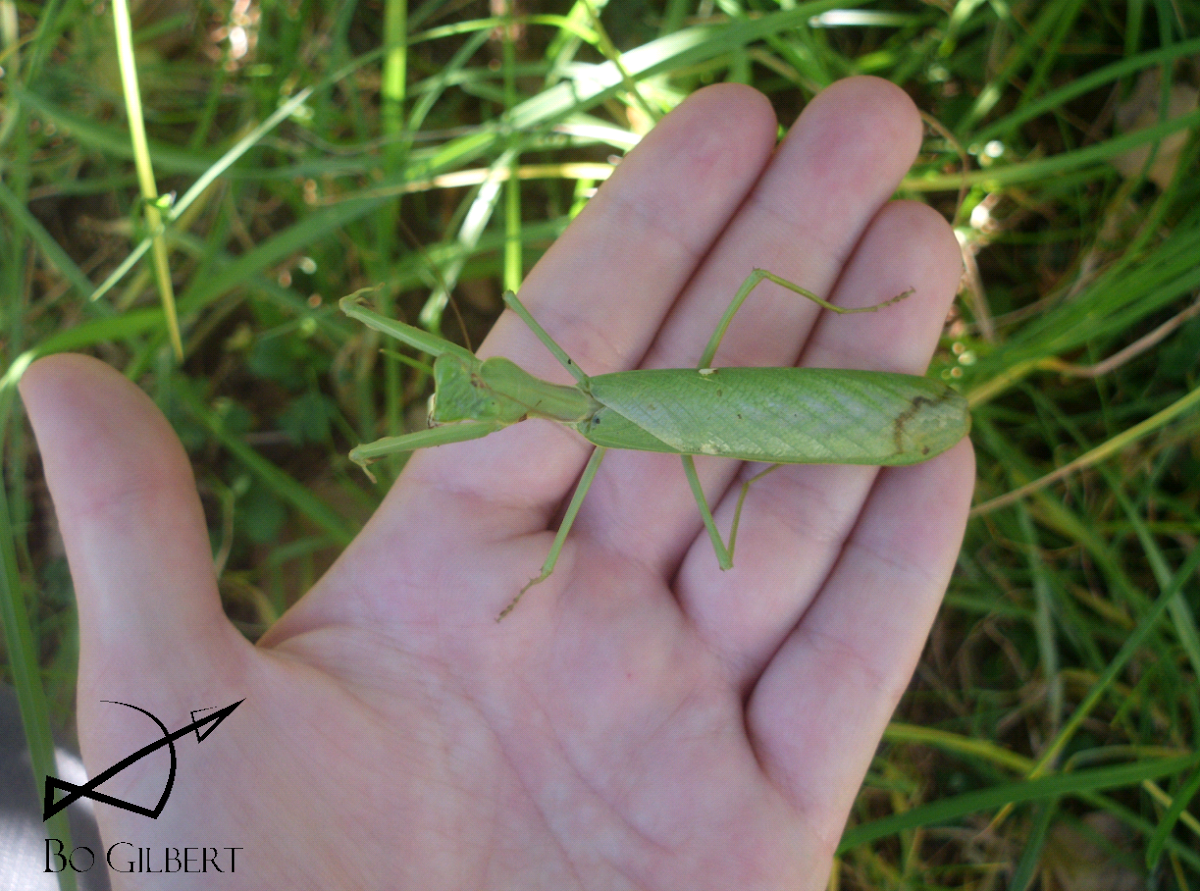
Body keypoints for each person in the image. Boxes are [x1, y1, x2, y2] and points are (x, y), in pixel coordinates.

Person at [20, 76, 974, 889]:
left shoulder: (576, 399)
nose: (462, 393)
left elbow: (426, 339)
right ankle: (875, 403)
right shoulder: (573, 393)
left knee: (749, 377)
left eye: (468, 385)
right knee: (730, 496)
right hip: (694, 413)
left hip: (708, 408)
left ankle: (871, 340)